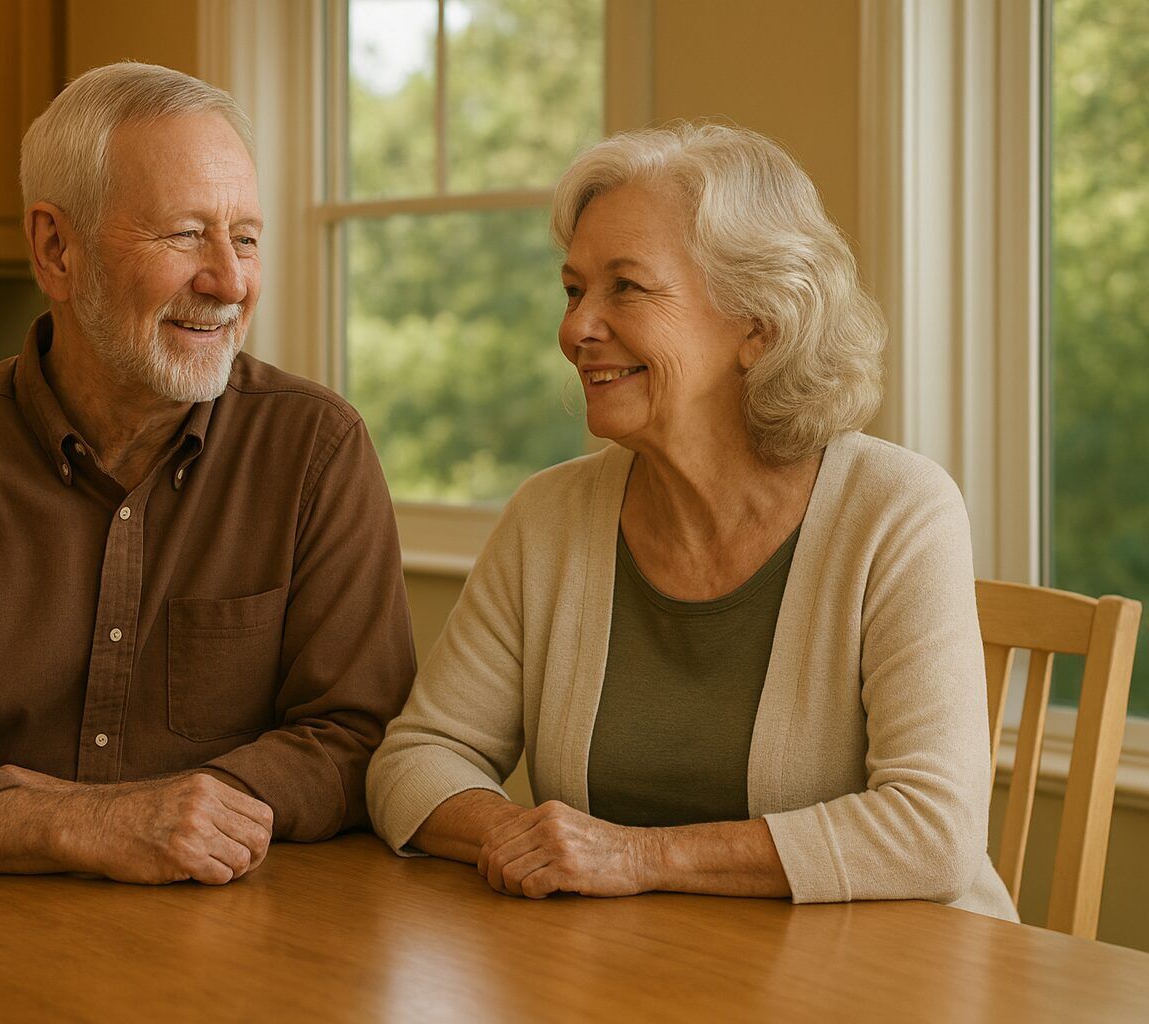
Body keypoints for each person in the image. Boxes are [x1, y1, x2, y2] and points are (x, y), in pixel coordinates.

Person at [0, 62, 415, 886]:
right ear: (56, 249)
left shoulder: (316, 449)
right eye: (186, 234)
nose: (230, 281)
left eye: (245, 237)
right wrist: (86, 824)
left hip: (231, 948)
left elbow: (361, 737)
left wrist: (191, 818)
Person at [365, 122, 1016, 919]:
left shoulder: (896, 509)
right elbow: (417, 760)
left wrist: (640, 857)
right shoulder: (548, 519)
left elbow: (933, 830)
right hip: (645, 977)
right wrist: (522, 837)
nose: (576, 329)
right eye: (574, 290)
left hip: (894, 983)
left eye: (626, 288)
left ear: (759, 326)